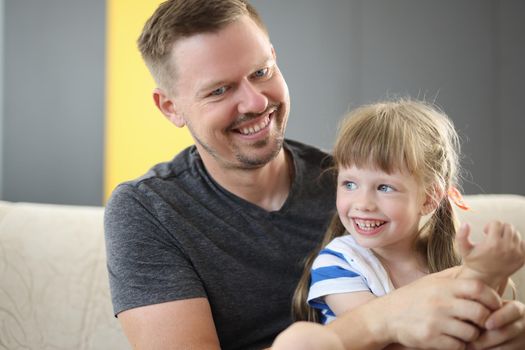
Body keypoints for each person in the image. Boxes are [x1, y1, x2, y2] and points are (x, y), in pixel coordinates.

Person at [104, 1, 525, 349]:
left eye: (261, 72)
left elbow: (438, 282)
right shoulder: (149, 210)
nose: (255, 101)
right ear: (170, 107)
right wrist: (382, 320)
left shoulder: (354, 185)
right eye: (219, 90)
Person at [271, 99, 525, 349]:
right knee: (303, 340)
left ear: (429, 198)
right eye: (349, 184)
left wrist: (491, 271)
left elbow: (474, 319)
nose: (363, 203)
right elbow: (378, 331)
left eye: (384, 187)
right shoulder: (339, 262)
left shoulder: (445, 261)